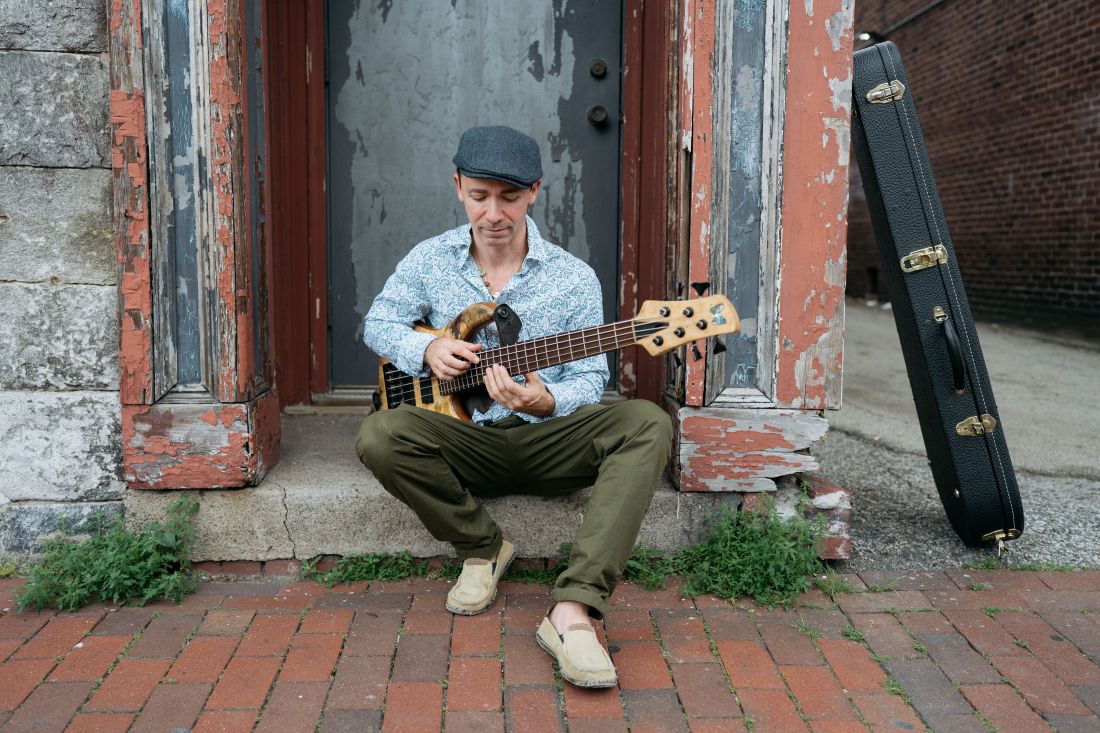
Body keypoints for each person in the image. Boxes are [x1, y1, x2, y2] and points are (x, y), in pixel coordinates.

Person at [356, 125, 672, 688]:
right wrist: (426, 347)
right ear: (458, 187)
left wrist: (547, 399)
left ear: (534, 191)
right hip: (463, 441)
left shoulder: (574, 277)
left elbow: (589, 376)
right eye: (479, 196)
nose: (493, 213)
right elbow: (378, 324)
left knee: (646, 420)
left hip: (547, 440)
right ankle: (482, 547)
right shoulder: (429, 259)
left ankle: (574, 609)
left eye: (509, 196)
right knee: (380, 435)